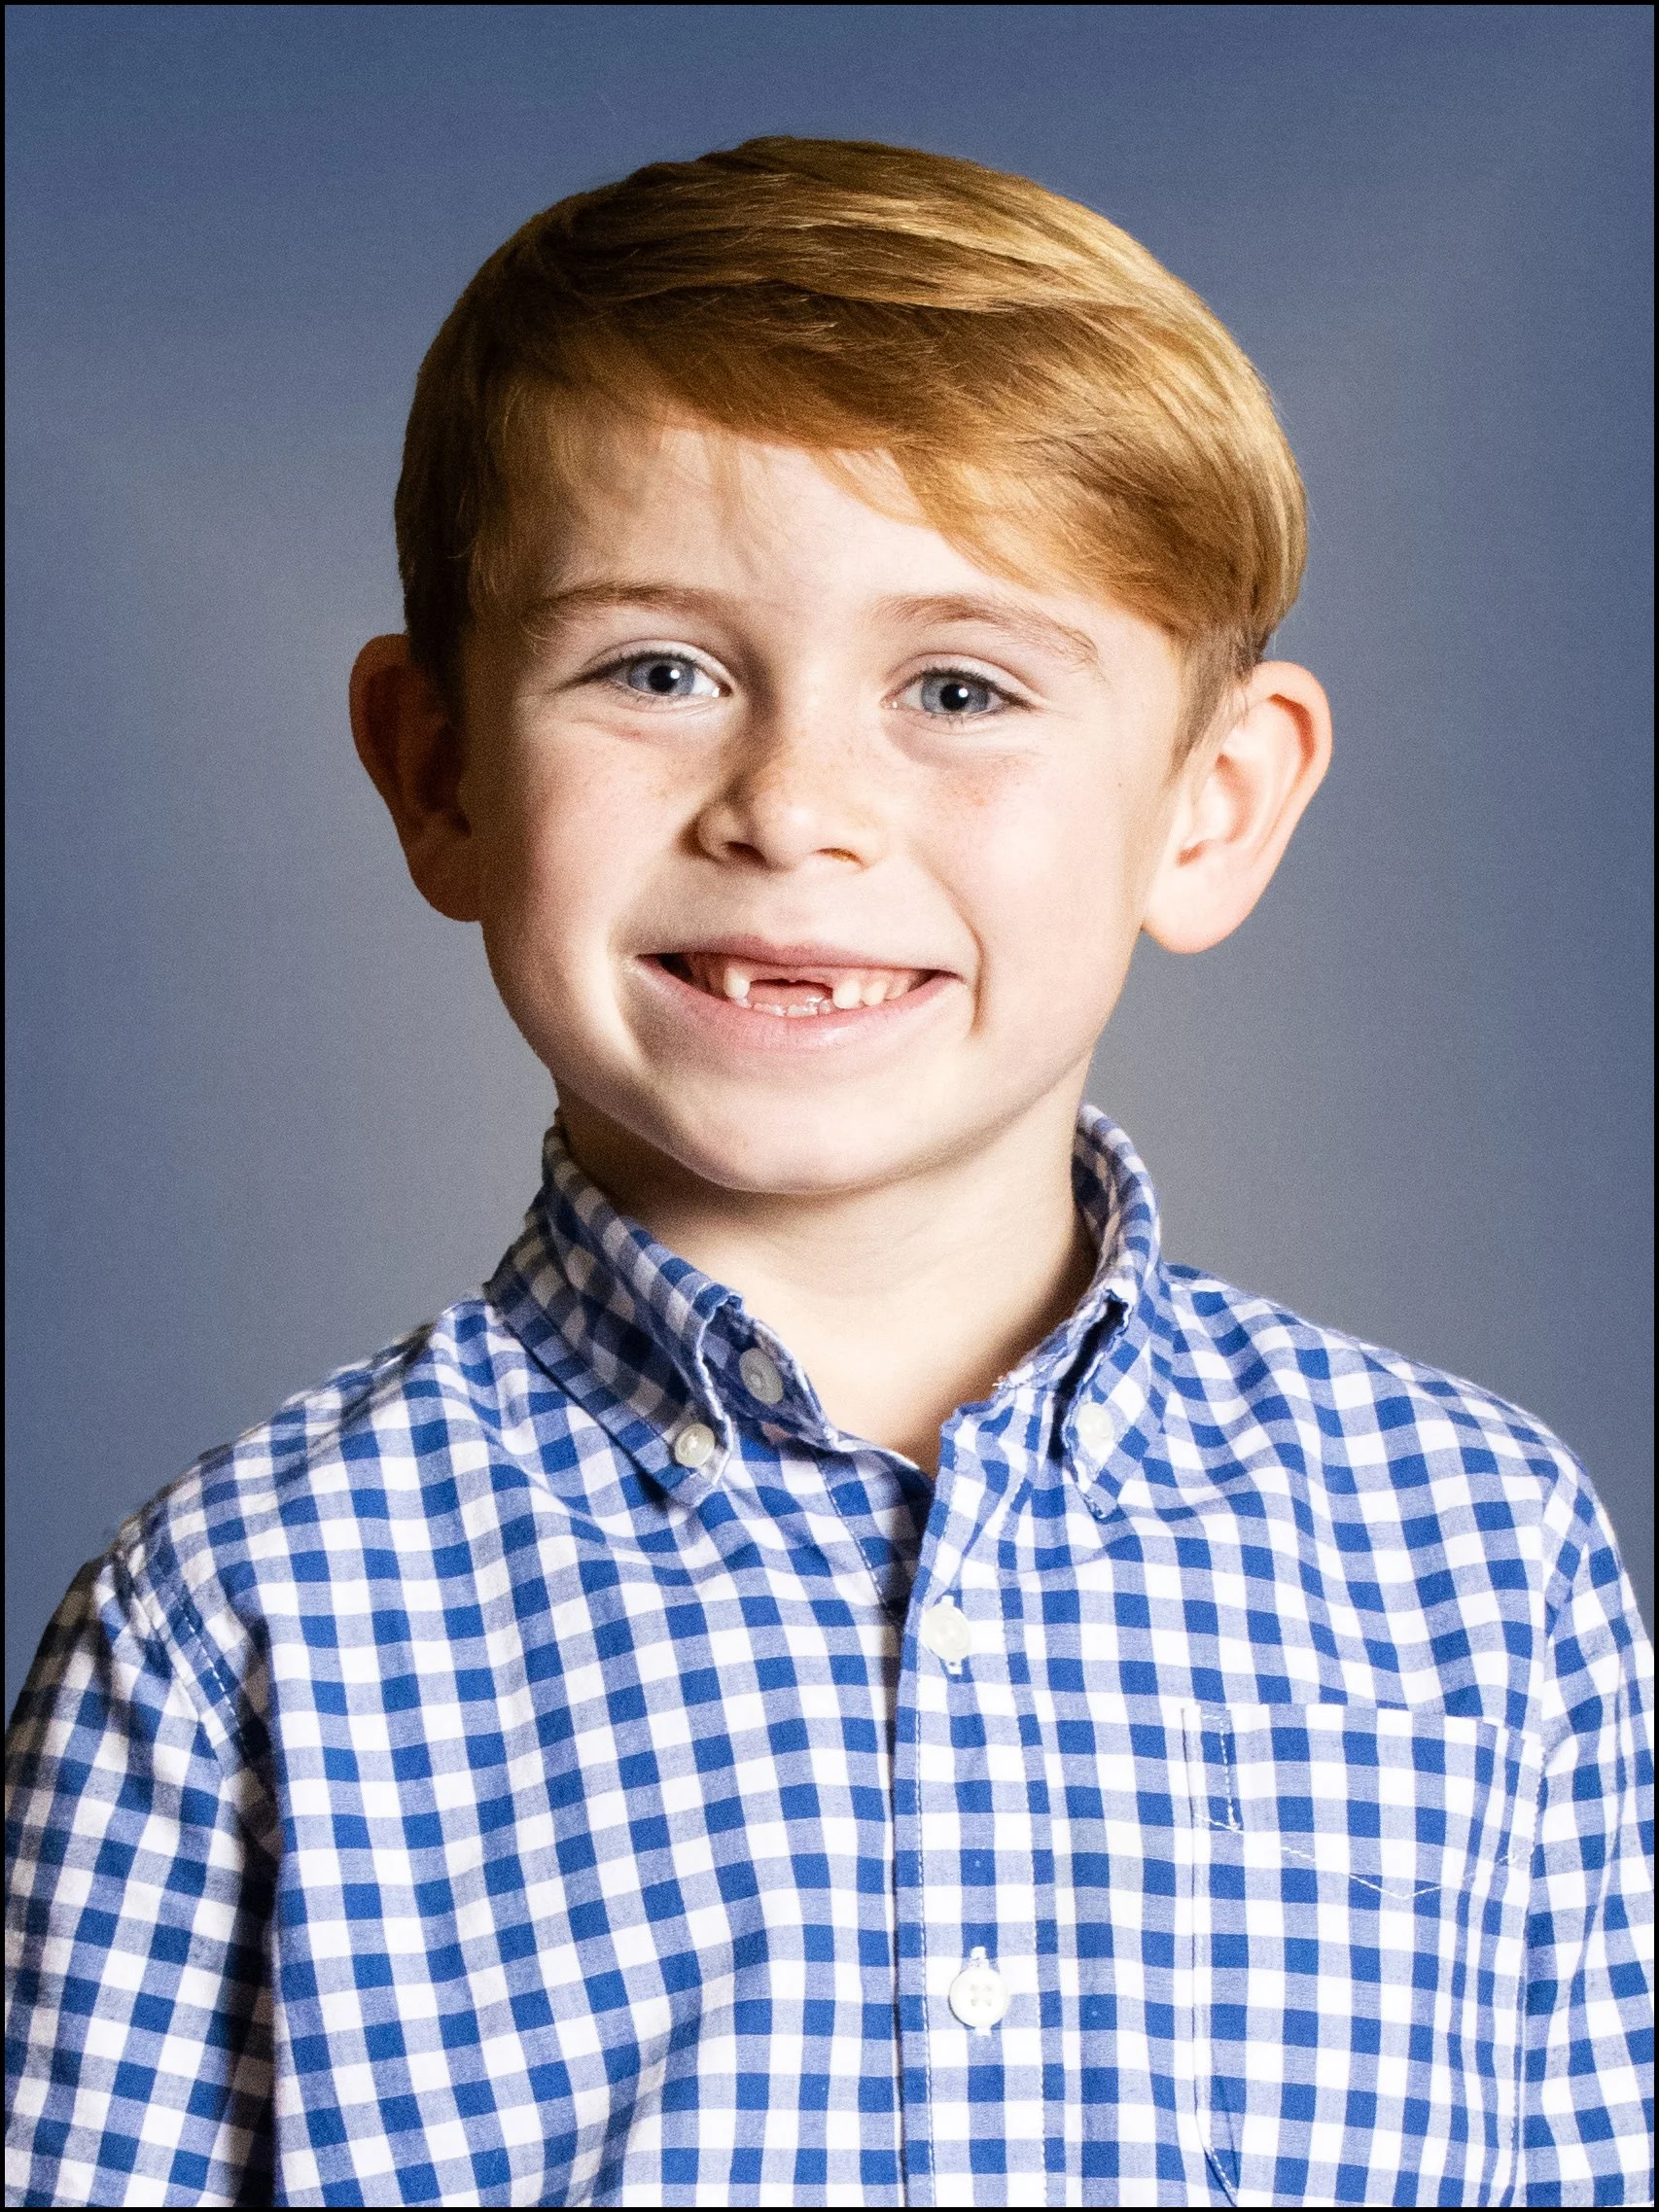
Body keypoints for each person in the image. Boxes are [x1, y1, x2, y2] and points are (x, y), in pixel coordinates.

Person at [6, 137, 1651, 2210]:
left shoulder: (1479, 1567)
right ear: (438, 772)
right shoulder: (238, 1628)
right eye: (655, 670)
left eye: (957, 688)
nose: (792, 807)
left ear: (1208, 809)